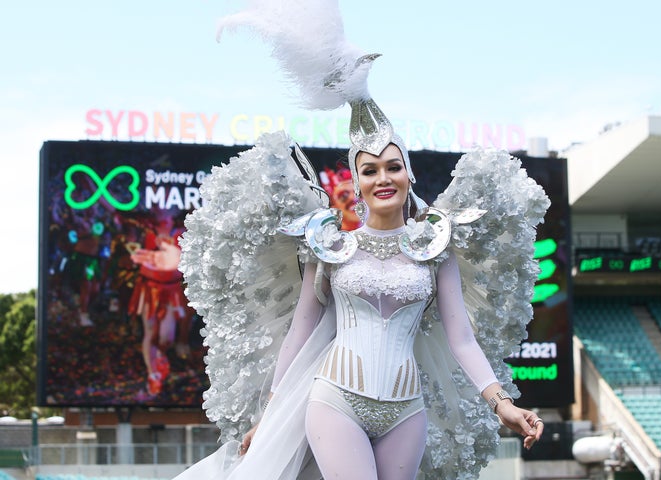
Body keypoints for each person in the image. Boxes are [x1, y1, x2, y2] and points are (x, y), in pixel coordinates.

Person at [175, 1, 550, 478]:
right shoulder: (330, 247)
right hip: (335, 401)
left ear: (409, 176)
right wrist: (269, 414)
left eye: (393, 167)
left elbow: (462, 338)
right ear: (356, 183)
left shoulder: (436, 249)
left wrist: (503, 405)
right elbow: (299, 334)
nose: (383, 178)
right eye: (369, 170)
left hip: (406, 411)